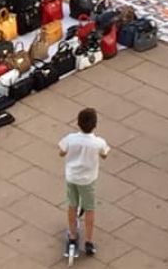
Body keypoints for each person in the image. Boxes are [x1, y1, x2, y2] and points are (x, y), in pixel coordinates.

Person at [58, 108, 110, 257]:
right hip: (88, 180)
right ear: (95, 125)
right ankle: (88, 241)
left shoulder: (70, 138)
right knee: (89, 209)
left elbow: (61, 152)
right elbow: (105, 154)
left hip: (72, 177)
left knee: (72, 205)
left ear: (78, 123)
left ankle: (73, 236)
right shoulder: (98, 142)